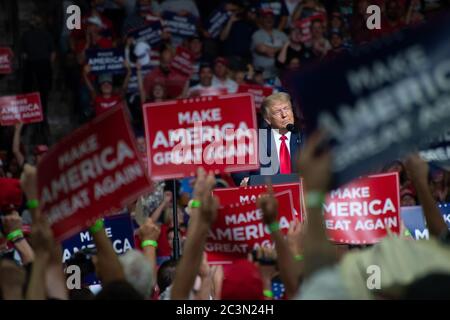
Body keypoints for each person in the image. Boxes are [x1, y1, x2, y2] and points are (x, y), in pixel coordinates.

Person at [235, 92, 305, 186]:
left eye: (286, 108)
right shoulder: (254, 141)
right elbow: (240, 175)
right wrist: (249, 182)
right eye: (277, 112)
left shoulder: (304, 137)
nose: (284, 115)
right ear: (268, 119)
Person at [251, 9, 288, 80]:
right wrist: (282, 48)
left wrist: (272, 50)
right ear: (262, 20)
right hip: (261, 74)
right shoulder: (257, 34)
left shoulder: (281, 34)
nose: (269, 20)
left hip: (279, 73)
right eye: (266, 18)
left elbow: (289, 47)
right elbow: (263, 49)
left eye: (271, 18)